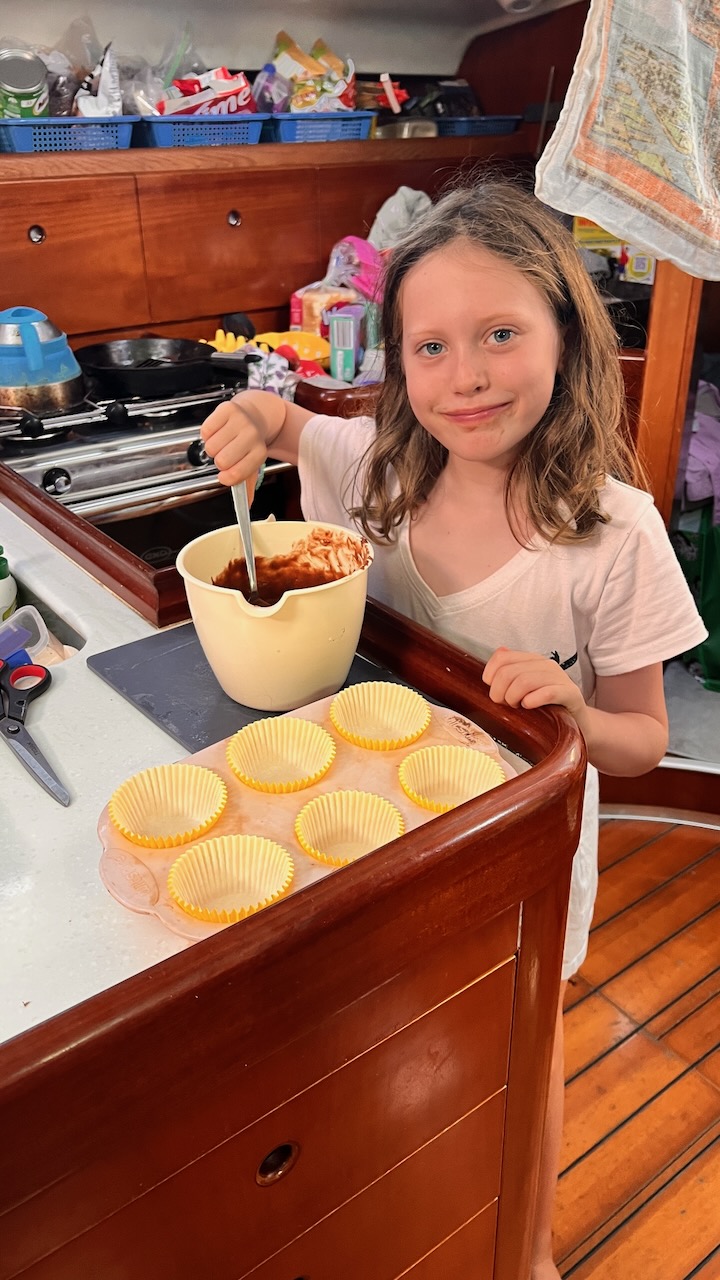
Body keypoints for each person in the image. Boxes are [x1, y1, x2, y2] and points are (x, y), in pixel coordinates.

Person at [201, 178, 707, 1279]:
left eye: (500, 334)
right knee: (388, 1027)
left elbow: (643, 739)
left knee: (521, 1044)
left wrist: (575, 707)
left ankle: (523, 1241)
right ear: (397, 363)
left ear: (566, 336)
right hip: (368, 825)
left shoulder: (614, 534)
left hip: (523, 851)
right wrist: (255, 415)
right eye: (429, 347)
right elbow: (293, 423)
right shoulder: (377, 465)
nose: (466, 375)